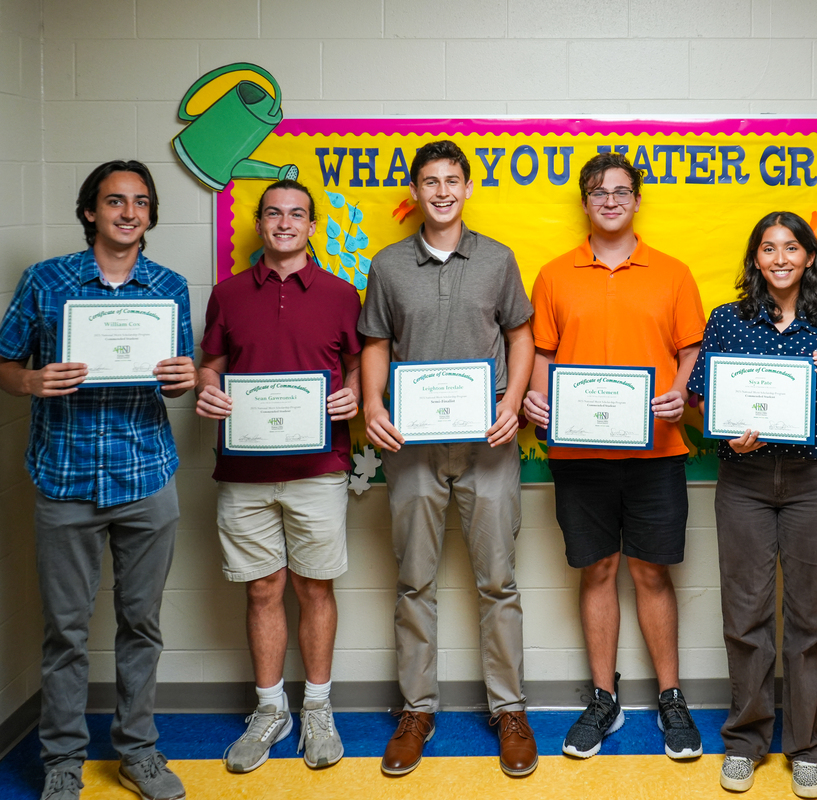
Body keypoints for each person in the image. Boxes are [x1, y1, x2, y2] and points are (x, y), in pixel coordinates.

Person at [0, 161, 196, 800]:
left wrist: (182, 378)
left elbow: (181, 369)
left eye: (140, 202)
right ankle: (62, 760)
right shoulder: (44, 281)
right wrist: (28, 380)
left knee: (142, 624)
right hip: (66, 479)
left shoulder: (168, 286)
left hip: (146, 476)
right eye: (115, 201)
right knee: (66, 630)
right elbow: (5, 360)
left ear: (150, 214)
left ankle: (138, 752)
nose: (128, 212)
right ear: (91, 211)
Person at [358, 140, 538, 778]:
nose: (441, 191)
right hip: (411, 449)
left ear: (466, 188)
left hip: (487, 443)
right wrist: (374, 405)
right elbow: (375, 342)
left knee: (498, 581)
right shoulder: (387, 265)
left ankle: (510, 710)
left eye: (451, 180)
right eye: (429, 181)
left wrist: (512, 403)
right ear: (416, 190)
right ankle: (416, 710)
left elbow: (521, 335)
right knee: (414, 582)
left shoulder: (497, 259)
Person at [523, 152, 706, 762]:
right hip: (578, 453)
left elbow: (690, 350)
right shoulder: (553, 275)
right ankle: (604, 698)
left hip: (657, 452)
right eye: (598, 191)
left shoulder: (673, 273)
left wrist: (682, 389)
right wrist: (536, 399)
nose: (609, 200)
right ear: (584, 201)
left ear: (636, 200)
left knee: (652, 572)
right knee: (596, 570)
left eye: (621, 191)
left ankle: (671, 697)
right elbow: (542, 355)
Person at [687, 211, 817, 798]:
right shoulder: (727, 321)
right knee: (746, 615)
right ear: (756, 259)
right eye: (769, 249)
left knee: (810, 619)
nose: (782, 258)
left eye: (793, 248)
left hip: (814, 482)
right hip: (744, 480)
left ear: (810, 257)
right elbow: (698, 405)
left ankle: (806, 746)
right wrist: (725, 430)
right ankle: (745, 740)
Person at [194, 179, 363, 773]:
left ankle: (317, 706)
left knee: (314, 588)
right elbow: (210, 365)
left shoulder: (344, 295)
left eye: (297, 214)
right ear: (260, 223)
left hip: (319, 469)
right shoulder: (227, 293)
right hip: (244, 472)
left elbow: (358, 365)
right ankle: (271, 710)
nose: (285, 223)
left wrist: (355, 394)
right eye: (274, 213)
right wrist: (208, 390)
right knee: (262, 588)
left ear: (312, 226)